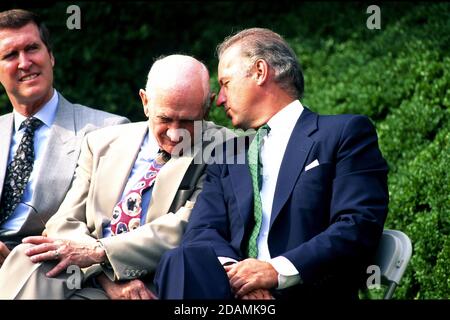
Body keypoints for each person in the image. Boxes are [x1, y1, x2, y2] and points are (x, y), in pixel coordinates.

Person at [154, 28, 389, 299]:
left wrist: (275, 272)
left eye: (226, 83)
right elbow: (202, 231)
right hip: (230, 294)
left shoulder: (344, 133)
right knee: (178, 259)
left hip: (304, 290)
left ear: (260, 72)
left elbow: (358, 224)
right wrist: (240, 278)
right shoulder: (228, 155)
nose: (219, 99)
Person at [0, 54, 235, 299]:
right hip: (87, 273)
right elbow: (64, 221)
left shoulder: (223, 148)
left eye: (188, 121)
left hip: (149, 280)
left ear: (207, 107)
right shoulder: (102, 142)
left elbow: (187, 226)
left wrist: (101, 252)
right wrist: (100, 270)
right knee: (28, 255)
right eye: (164, 119)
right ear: (145, 101)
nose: (175, 134)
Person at [0, 9, 128, 267]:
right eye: (11, 55)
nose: (25, 63)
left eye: (32, 48)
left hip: (53, 273)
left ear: (51, 57)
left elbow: (110, 230)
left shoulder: (109, 131)